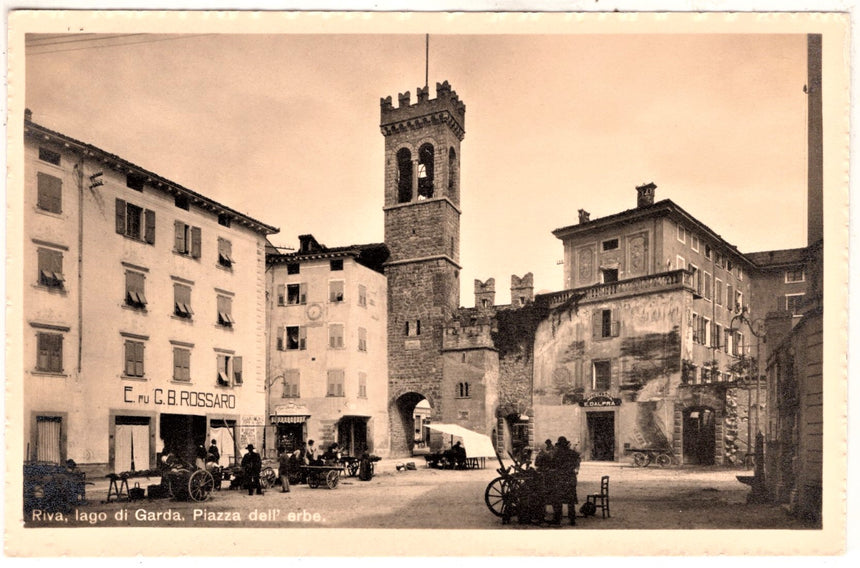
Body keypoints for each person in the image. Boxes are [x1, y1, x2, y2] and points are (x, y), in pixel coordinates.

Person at [548, 436, 580, 525]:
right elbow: (577, 461)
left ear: (560, 446)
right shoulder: (573, 453)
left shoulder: (557, 454)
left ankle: (557, 519)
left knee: (557, 499)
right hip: (571, 479)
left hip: (560, 479)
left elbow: (552, 465)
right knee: (571, 500)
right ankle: (572, 520)